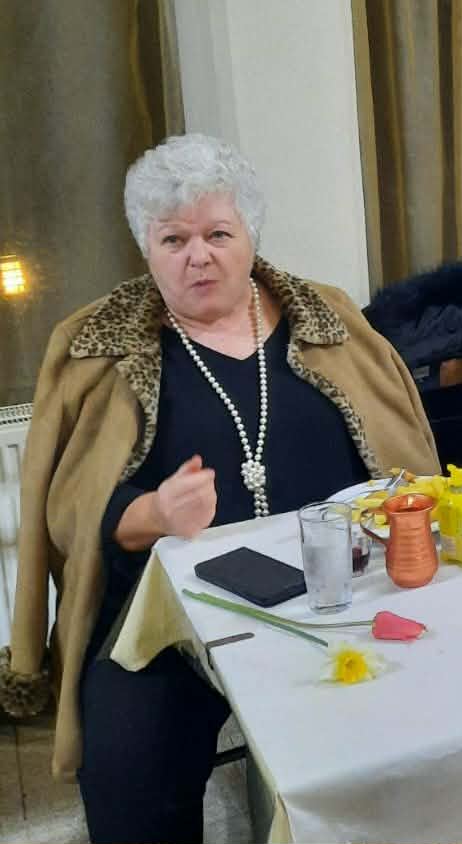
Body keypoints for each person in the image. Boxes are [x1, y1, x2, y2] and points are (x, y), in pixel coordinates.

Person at [0, 134, 439, 843]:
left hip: (339, 598)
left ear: (250, 236)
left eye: (217, 234)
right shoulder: (97, 347)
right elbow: (69, 513)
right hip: (163, 619)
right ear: (146, 248)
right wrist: (149, 512)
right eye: (173, 239)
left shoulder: (328, 320)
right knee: (128, 769)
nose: (197, 255)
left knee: (412, 743)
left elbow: (400, 459)